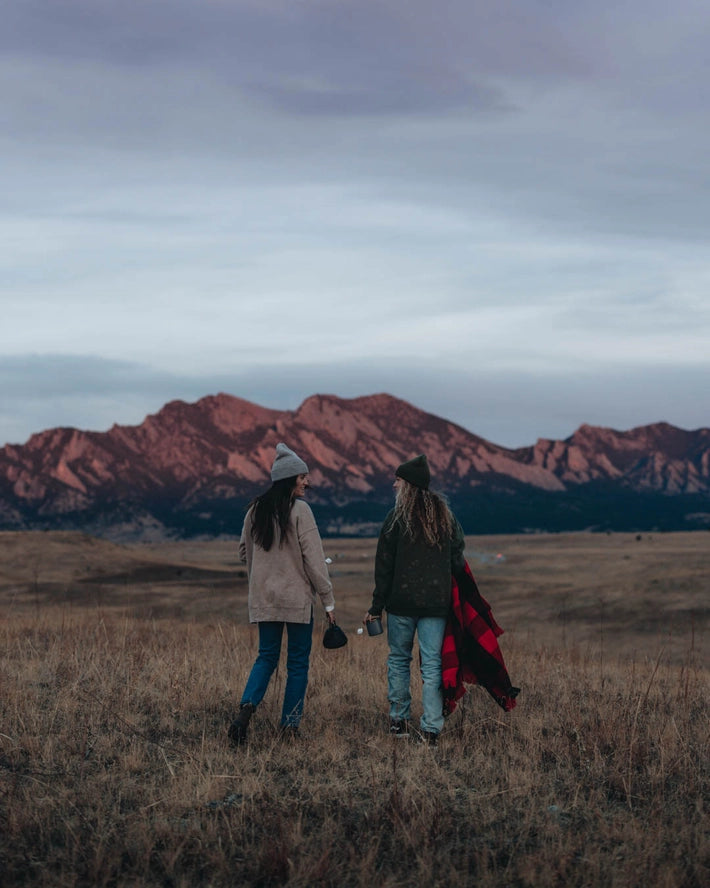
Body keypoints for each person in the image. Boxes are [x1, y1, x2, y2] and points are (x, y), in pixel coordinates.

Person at [228, 442, 336, 745]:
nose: (307, 482)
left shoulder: (254, 511)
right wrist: (328, 600)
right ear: (290, 478)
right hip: (296, 599)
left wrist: (263, 568)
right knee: (298, 663)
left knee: (266, 657)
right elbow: (314, 561)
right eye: (303, 477)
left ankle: (245, 712)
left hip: (264, 597)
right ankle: (289, 728)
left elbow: (242, 552)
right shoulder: (301, 510)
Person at [364, 454, 465, 747]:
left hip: (401, 604)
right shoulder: (445, 516)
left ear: (408, 484)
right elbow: (458, 554)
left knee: (398, 660)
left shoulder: (396, 517)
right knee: (432, 665)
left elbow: (384, 565)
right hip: (436, 605)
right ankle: (432, 729)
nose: (394, 485)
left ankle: (399, 722)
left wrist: (376, 606)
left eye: (398, 480)